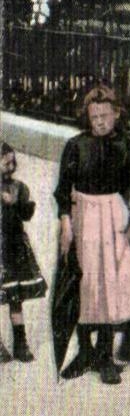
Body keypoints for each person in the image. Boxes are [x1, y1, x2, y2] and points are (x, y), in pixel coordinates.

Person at [54, 86, 130, 386]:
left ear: (116, 114)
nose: (99, 121)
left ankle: (106, 355)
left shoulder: (129, 148)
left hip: (113, 216)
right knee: (85, 283)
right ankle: (85, 352)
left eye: (104, 115)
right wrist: (65, 221)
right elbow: (63, 189)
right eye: (94, 116)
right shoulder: (76, 146)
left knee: (111, 285)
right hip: (83, 216)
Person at [1, 143, 46, 363]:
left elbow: (26, 215)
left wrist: (16, 203)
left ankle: (21, 343)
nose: (11, 167)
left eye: (13, 162)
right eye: (6, 162)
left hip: (14, 247)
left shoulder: (19, 187)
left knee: (15, 297)